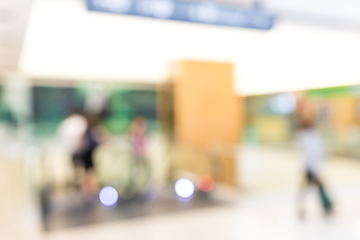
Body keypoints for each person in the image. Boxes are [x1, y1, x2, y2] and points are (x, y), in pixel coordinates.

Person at [297, 116, 333, 217]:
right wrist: (311, 169)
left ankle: (326, 205)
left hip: (314, 167)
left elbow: (319, 151)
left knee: (312, 187)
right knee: (313, 187)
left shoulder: (313, 135)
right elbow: (307, 154)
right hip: (310, 167)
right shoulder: (305, 136)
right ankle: (326, 205)